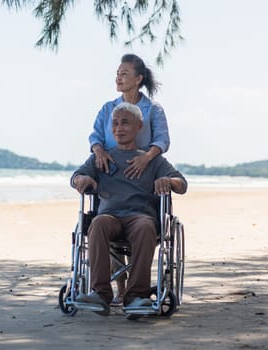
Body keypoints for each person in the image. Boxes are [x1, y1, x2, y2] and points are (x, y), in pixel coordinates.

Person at [72, 102, 187, 319]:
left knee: (145, 226)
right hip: (110, 217)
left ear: (139, 127)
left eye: (125, 123)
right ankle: (100, 293)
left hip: (140, 217)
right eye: (115, 123)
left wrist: (168, 180)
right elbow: (75, 177)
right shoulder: (102, 157)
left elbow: (182, 184)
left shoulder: (152, 160)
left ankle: (135, 296)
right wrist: (82, 178)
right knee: (97, 223)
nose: (119, 128)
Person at [89, 53, 171, 304]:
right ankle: (118, 288)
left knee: (141, 224)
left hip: (142, 171)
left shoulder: (152, 109)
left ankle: (133, 292)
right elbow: (95, 137)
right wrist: (100, 152)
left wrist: (146, 159)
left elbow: (162, 140)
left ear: (139, 79)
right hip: (112, 170)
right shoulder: (107, 108)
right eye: (117, 73)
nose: (118, 77)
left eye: (124, 73)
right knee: (106, 219)